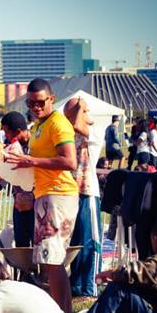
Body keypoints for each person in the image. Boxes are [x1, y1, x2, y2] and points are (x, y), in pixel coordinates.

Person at [5, 78, 79, 313]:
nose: (35, 107)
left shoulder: (58, 123)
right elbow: (38, 164)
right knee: (48, 262)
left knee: (54, 261)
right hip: (44, 196)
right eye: (30, 103)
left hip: (59, 195)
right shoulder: (38, 125)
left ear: (51, 100)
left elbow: (70, 161)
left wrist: (31, 161)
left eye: (40, 102)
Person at [65, 97, 102, 298]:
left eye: (83, 111)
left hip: (88, 191)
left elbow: (78, 124)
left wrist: (78, 107)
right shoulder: (69, 132)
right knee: (76, 241)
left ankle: (91, 285)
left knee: (90, 239)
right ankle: (77, 284)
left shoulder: (95, 131)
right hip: (71, 192)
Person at [0, 111, 35, 247]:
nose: (6, 136)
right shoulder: (11, 147)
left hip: (37, 202)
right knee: (21, 242)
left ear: (18, 131)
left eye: (7, 132)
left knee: (36, 241)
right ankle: (23, 268)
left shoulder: (35, 145)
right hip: (19, 203)